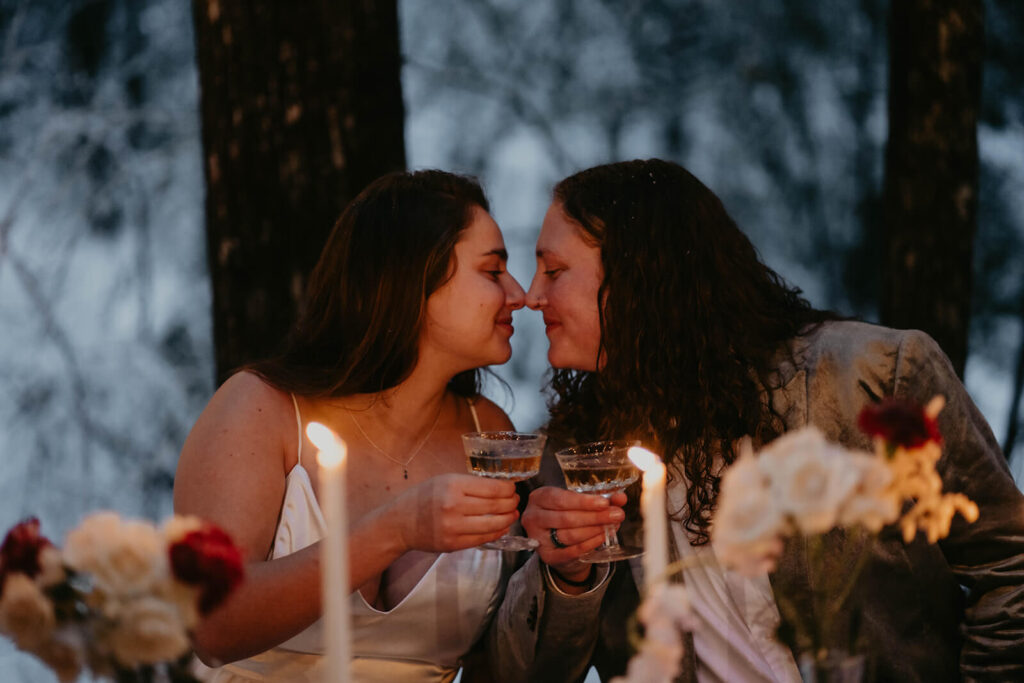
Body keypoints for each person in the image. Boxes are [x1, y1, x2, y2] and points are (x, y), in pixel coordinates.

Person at [492, 158, 1024, 682]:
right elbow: (521, 674)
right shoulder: (574, 457)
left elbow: (1010, 571)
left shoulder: (872, 378)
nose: (533, 296)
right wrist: (566, 575)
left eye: (554, 270)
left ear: (640, 275)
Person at [174, 170, 540, 682]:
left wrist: (561, 569)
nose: (519, 294)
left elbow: (491, 661)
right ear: (414, 278)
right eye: (493, 270)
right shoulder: (261, 410)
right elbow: (212, 628)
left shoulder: (489, 430)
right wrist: (395, 530)